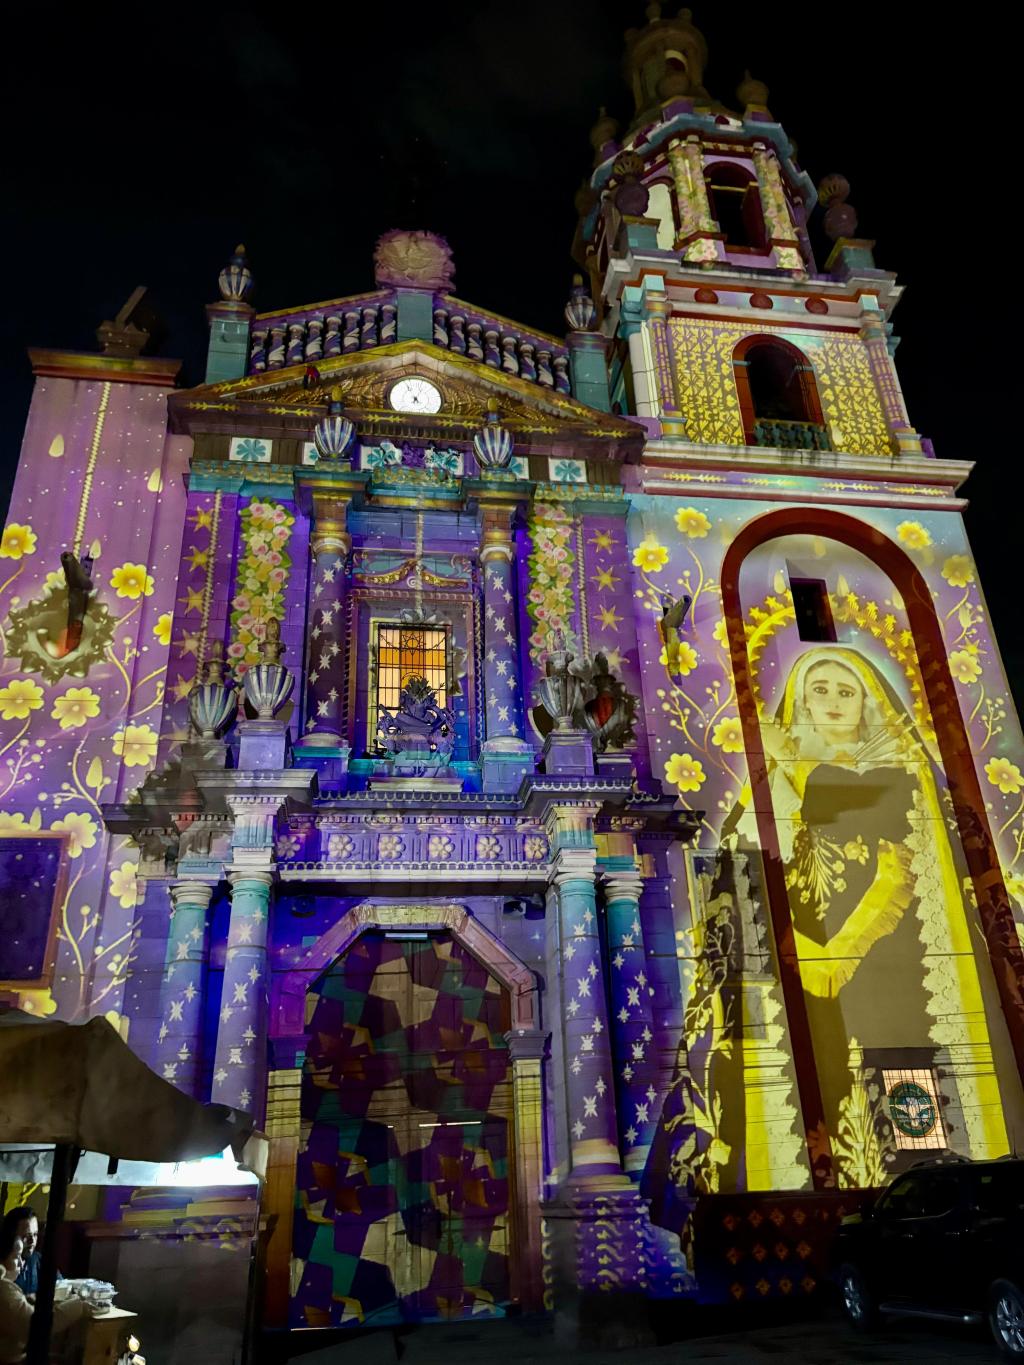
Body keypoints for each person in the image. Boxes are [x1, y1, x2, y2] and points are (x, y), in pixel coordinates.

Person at [0, 1228, 87, 1363]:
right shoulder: (3, 1289)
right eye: (16, 1257)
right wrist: (80, 1304)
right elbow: (36, 1326)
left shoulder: (37, 1259)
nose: (21, 1263)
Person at [0, 1212, 38, 1299]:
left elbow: (61, 1284)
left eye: (35, 1234)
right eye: (27, 1236)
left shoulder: (38, 1259)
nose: (32, 1241)